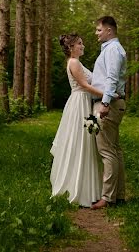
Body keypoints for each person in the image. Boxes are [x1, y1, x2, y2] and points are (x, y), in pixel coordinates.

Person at [50, 33, 104, 207]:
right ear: (71, 47)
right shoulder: (73, 62)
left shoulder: (76, 62)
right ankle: (76, 189)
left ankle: (85, 187)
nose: (83, 46)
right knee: (80, 142)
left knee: (85, 143)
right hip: (79, 103)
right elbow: (85, 85)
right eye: (80, 44)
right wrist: (108, 95)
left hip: (83, 102)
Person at [90, 16, 127, 210]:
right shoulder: (112, 49)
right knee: (114, 149)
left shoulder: (112, 49)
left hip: (108, 105)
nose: (96, 33)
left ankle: (108, 197)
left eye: (98, 30)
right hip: (110, 103)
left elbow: (112, 78)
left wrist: (104, 103)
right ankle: (118, 195)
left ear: (109, 31)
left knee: (106, 150)